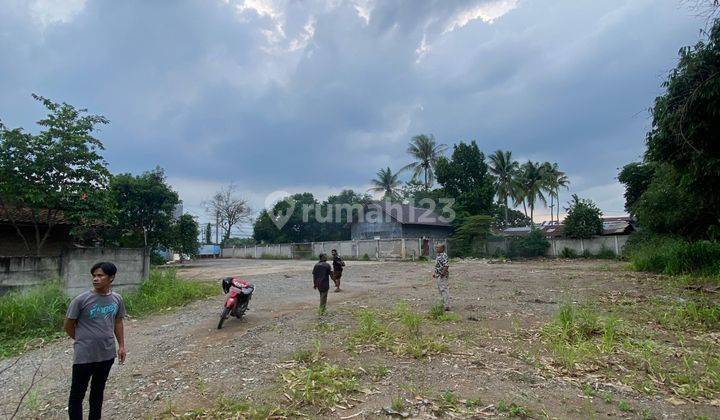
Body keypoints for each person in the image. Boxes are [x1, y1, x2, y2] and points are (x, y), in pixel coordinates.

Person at [64, 262, 126, 420]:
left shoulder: (117, 299)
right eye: (94, 276)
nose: (96, 279)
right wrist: (82, 340)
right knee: (77, 394)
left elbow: (118, 322)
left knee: (98, 392)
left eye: (100, 275)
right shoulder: (81, 300)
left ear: (111, 278)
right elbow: (68, 325)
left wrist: (121, 346)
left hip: (106, 354)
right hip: (84, 356)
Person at [432, 243, 451, 311]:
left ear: (442, 249)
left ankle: (447, 306)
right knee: (441, 290)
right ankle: (444, 303)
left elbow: (446, 265)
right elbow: (438, 265)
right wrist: (435, 273)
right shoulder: (439, 255)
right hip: (438, 275)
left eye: (438, 248)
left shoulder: (444, 255)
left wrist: (443, 274)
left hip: (442, 275)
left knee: (444, 289)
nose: (436, 249)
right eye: (436, 247)